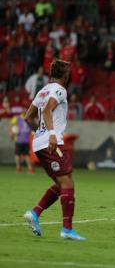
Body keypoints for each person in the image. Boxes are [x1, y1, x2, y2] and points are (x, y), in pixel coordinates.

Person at [23, 59, 85, 240]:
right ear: (65, 75)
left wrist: (40, 133)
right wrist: (50, 134)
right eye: (69, 72)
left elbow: (27, 117)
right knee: (67, 184)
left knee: (61, 184)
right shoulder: (60, 90)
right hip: (53, 142)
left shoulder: (42, 91)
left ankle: (35, 213)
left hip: (39, 143)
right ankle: (67, 230)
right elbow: (49, 110)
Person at [9, 109, 35, 174]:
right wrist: (11, 133)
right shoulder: (22, 118)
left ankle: (24, 168)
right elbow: (11, 125)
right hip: (21, 139)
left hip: (23, 140)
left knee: (20, 154)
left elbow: (11, 124)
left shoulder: (21, 118)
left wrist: (11, 133)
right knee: (24, 155)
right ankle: (24, 168)